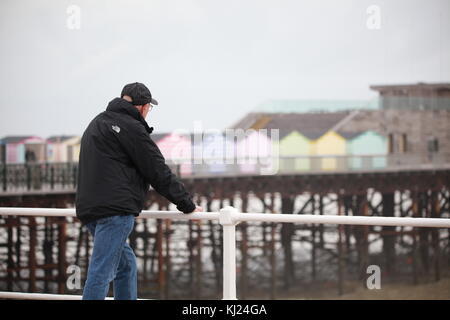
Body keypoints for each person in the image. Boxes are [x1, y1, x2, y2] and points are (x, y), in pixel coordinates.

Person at [75, 82, 202, 300]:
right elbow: (157, 171)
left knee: (126, 266)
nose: (148, 113)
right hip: (115, 211)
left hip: (89, 209)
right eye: (149, 108)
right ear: (143, 107)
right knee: (101, 272)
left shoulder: (97, 122)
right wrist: (187, 205)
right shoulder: (133, 128)